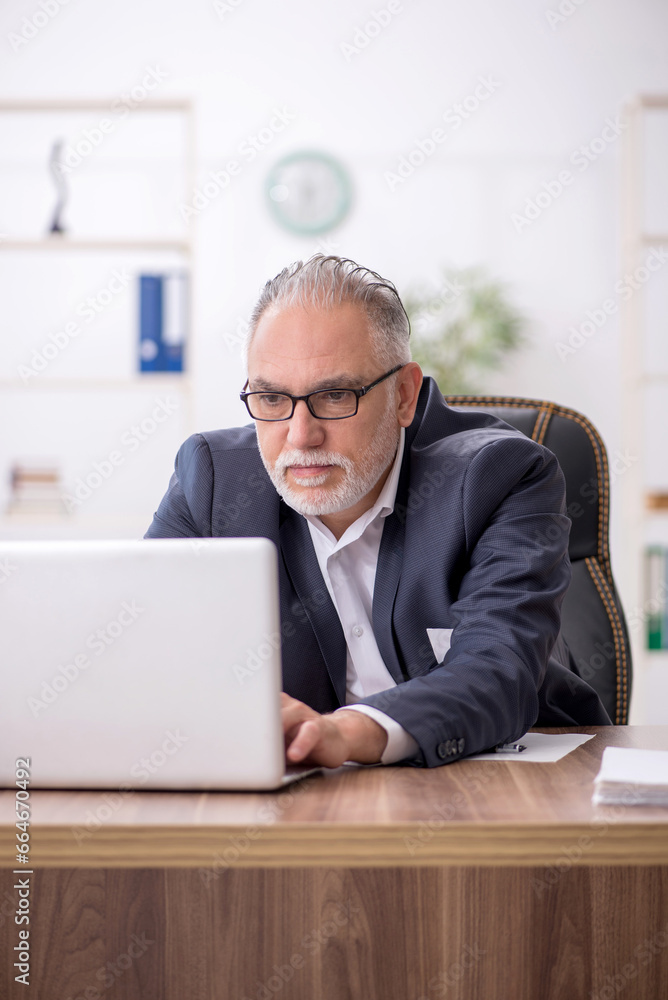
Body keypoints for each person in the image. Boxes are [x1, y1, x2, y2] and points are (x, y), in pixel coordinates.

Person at [145, 254, 610, 769]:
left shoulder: (499, 476)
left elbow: (496, 670)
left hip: (512, 784)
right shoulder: (210, 480)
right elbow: (145, 653)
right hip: (297, 800)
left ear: (405, 395)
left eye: (336, 394)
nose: (300, 436)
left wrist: (346, 731)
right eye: (273, 398)